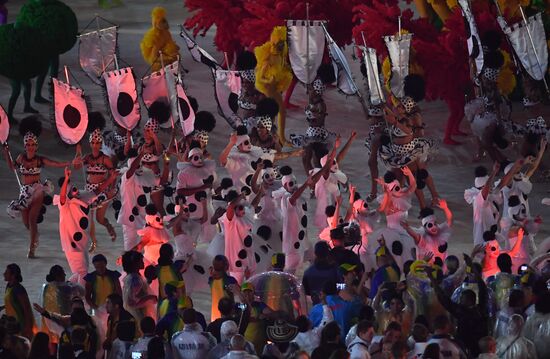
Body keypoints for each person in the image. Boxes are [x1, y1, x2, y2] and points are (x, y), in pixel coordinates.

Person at [3, 116, 76, 257]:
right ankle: (35, 236)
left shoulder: (39, 160)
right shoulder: (20, 158)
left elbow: (55, 163)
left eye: (32, 145)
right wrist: (6, 152)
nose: (30, 147)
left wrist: (70, 163)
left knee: (32, 219)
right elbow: (13, 167)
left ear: (36, 146)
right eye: (28, 145)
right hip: (24, 192)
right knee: (26, 223)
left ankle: (31, 249)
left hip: (37, 191)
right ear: (25, 146)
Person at [73, 112, 117, 249]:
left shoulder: (106, 159)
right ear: (90, 143)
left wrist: (111, 190)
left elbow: (112, 176)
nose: (95, 145)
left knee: (99, 219)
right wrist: (78, 154)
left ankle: (107, 225)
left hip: (102, 191)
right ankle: (94, 242)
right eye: (93, 142)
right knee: (89, 217)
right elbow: (76, 165)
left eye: (98, 142)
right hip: (89, 190)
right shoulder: (87, 157)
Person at [428, 261, 488, 357]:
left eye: (462, 299)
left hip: (464, 349)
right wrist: (475, 270)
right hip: (479, 350)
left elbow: (443, 298)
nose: (459, 301)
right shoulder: (481, 309)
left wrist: (431, 278)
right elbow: (482, 289)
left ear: (469, 300)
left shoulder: (461, 312)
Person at [53, 167, 96, 283]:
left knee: (80, 272)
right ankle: (81, 297)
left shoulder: (81, 197)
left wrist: (111, 179)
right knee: (83, 273)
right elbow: (63, 197)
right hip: (73, 246)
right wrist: (66, 179)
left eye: (74, 188)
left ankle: (65, 290)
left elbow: (96, 192)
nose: (76, 191)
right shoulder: (64, 204)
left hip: (81, 244)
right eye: (72, 190)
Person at [83, 254, 122, 346]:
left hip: (113, 310)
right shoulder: (90, 278)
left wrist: (117, 307)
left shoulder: (114, 276)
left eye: (101, 266)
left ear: (106, 264)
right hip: (97, 309)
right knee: (99, 332)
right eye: (97, 267)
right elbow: (87, 296)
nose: (100, 269)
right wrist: (96, 308)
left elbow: (118, 292)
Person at [39, 265, 78, 349]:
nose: (65, 275)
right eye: (63, 273)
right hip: (61, 323)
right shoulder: (67, 288)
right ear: (58, 276)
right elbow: (82, 292)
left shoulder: (46, 287)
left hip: (47, 322)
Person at [121, 251, 157, 322]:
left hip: (136, 315)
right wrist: (150, 297)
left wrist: (148, 281)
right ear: (135, 264)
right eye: (141, 261)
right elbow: (131, 303)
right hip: (138, 316)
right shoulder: (134, 279)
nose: (143, 262)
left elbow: (138, 292)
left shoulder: (132, 276)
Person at [2, 264, 35, 340]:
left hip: (20, 324)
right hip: (11, 323)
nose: (4, 274)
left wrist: (27, 327)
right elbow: (12, 302)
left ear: (13, 276)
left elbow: (26, 308)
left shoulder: (19, 289)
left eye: (7, 272)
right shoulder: (9, 286)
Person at [208, 255, 238, 322]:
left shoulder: (211, 280)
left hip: (214, 317)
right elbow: (240, 294)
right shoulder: (230, 280)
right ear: (226, 266)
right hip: (227, 317)